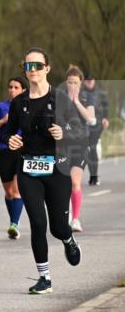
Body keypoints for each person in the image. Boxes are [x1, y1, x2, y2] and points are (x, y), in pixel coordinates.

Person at [6, 48, 84, 294]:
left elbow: (79, 132)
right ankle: (44, 278)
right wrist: (11, 140)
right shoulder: (19, 102)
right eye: (28, 66)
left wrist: (64, 133)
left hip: (56, 168)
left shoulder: (61, 98)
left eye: (37, 66)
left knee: (58, 227)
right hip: (28, 168)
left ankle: (68, 239)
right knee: (38, 223)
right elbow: (7, 132)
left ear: (47, 69)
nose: (32, 70)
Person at [0, 76, 27, 240]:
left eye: (16, 87)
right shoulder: (0, 107)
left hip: (22, 151)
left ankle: (14, 224)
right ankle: (13, 221)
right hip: (4, 152)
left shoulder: (28, 107)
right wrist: (3, 121)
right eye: (10, 87)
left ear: (23, 90)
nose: (12, 90)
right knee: (9, 192)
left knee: (17, 190)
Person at [62, 66, 96, 233]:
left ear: (81, 83)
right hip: (62, 145)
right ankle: (64, 216)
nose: (72, 86)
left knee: (75, 182)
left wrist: (76, 102)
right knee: (63, 184)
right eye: (69, 82)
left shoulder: (86, 97)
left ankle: (75, 219)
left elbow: (91, 119)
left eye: (75, 82)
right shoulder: (59, 98)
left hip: (80, 145)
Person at [82, 72, 110, 186]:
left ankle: (95, 176)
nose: (89, 82)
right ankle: (92, 176)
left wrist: (105, 118)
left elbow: (106, 105)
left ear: (94, 81)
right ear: (84, 81)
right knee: (88, 150)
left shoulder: (100, 92)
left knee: (92, 148)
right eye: (87, 81)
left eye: (91, 80)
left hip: (97, 124)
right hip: (84, 125)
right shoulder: (81, 93)